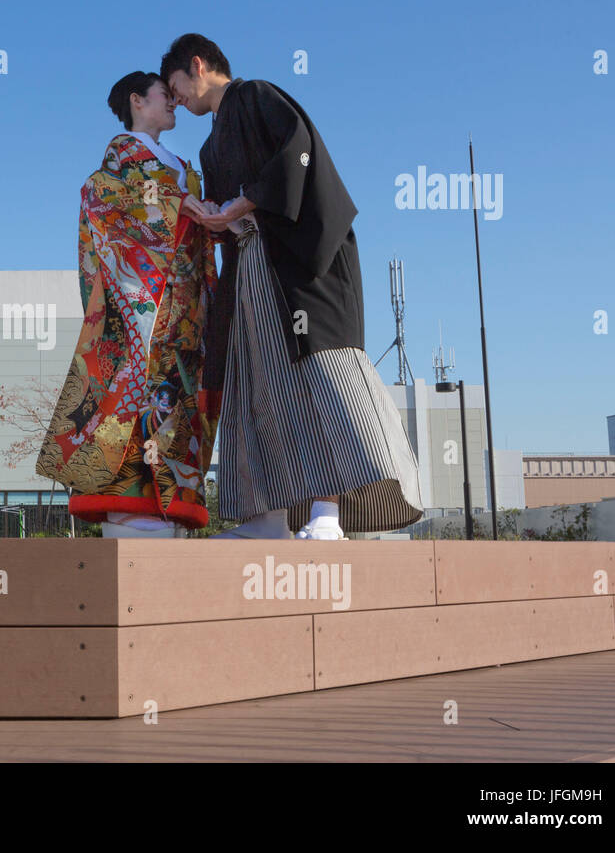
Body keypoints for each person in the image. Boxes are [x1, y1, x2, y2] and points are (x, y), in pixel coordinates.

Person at [161, 33, 423, 540]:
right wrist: (214, 216)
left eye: (175, 86)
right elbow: (230, 210)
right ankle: (266, 518)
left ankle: (328, 515)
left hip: (297, 263)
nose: (176, 100)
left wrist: (241, 205)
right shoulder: (209, 143)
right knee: (256, 385)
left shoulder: (255, 94)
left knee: (320, 378)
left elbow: (298, 150)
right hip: (251, 267)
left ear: (197, 65)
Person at [37, 72, 221, 537]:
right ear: (138, 101)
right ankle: (129, 514)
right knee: (134, 402)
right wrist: (183, 205)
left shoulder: (179, 164)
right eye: (165, 95)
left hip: (184, 312)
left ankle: (175, 513)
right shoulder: (117, 165)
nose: (174, 102)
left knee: (178, 405)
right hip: (142, 306)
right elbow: (101, 205)